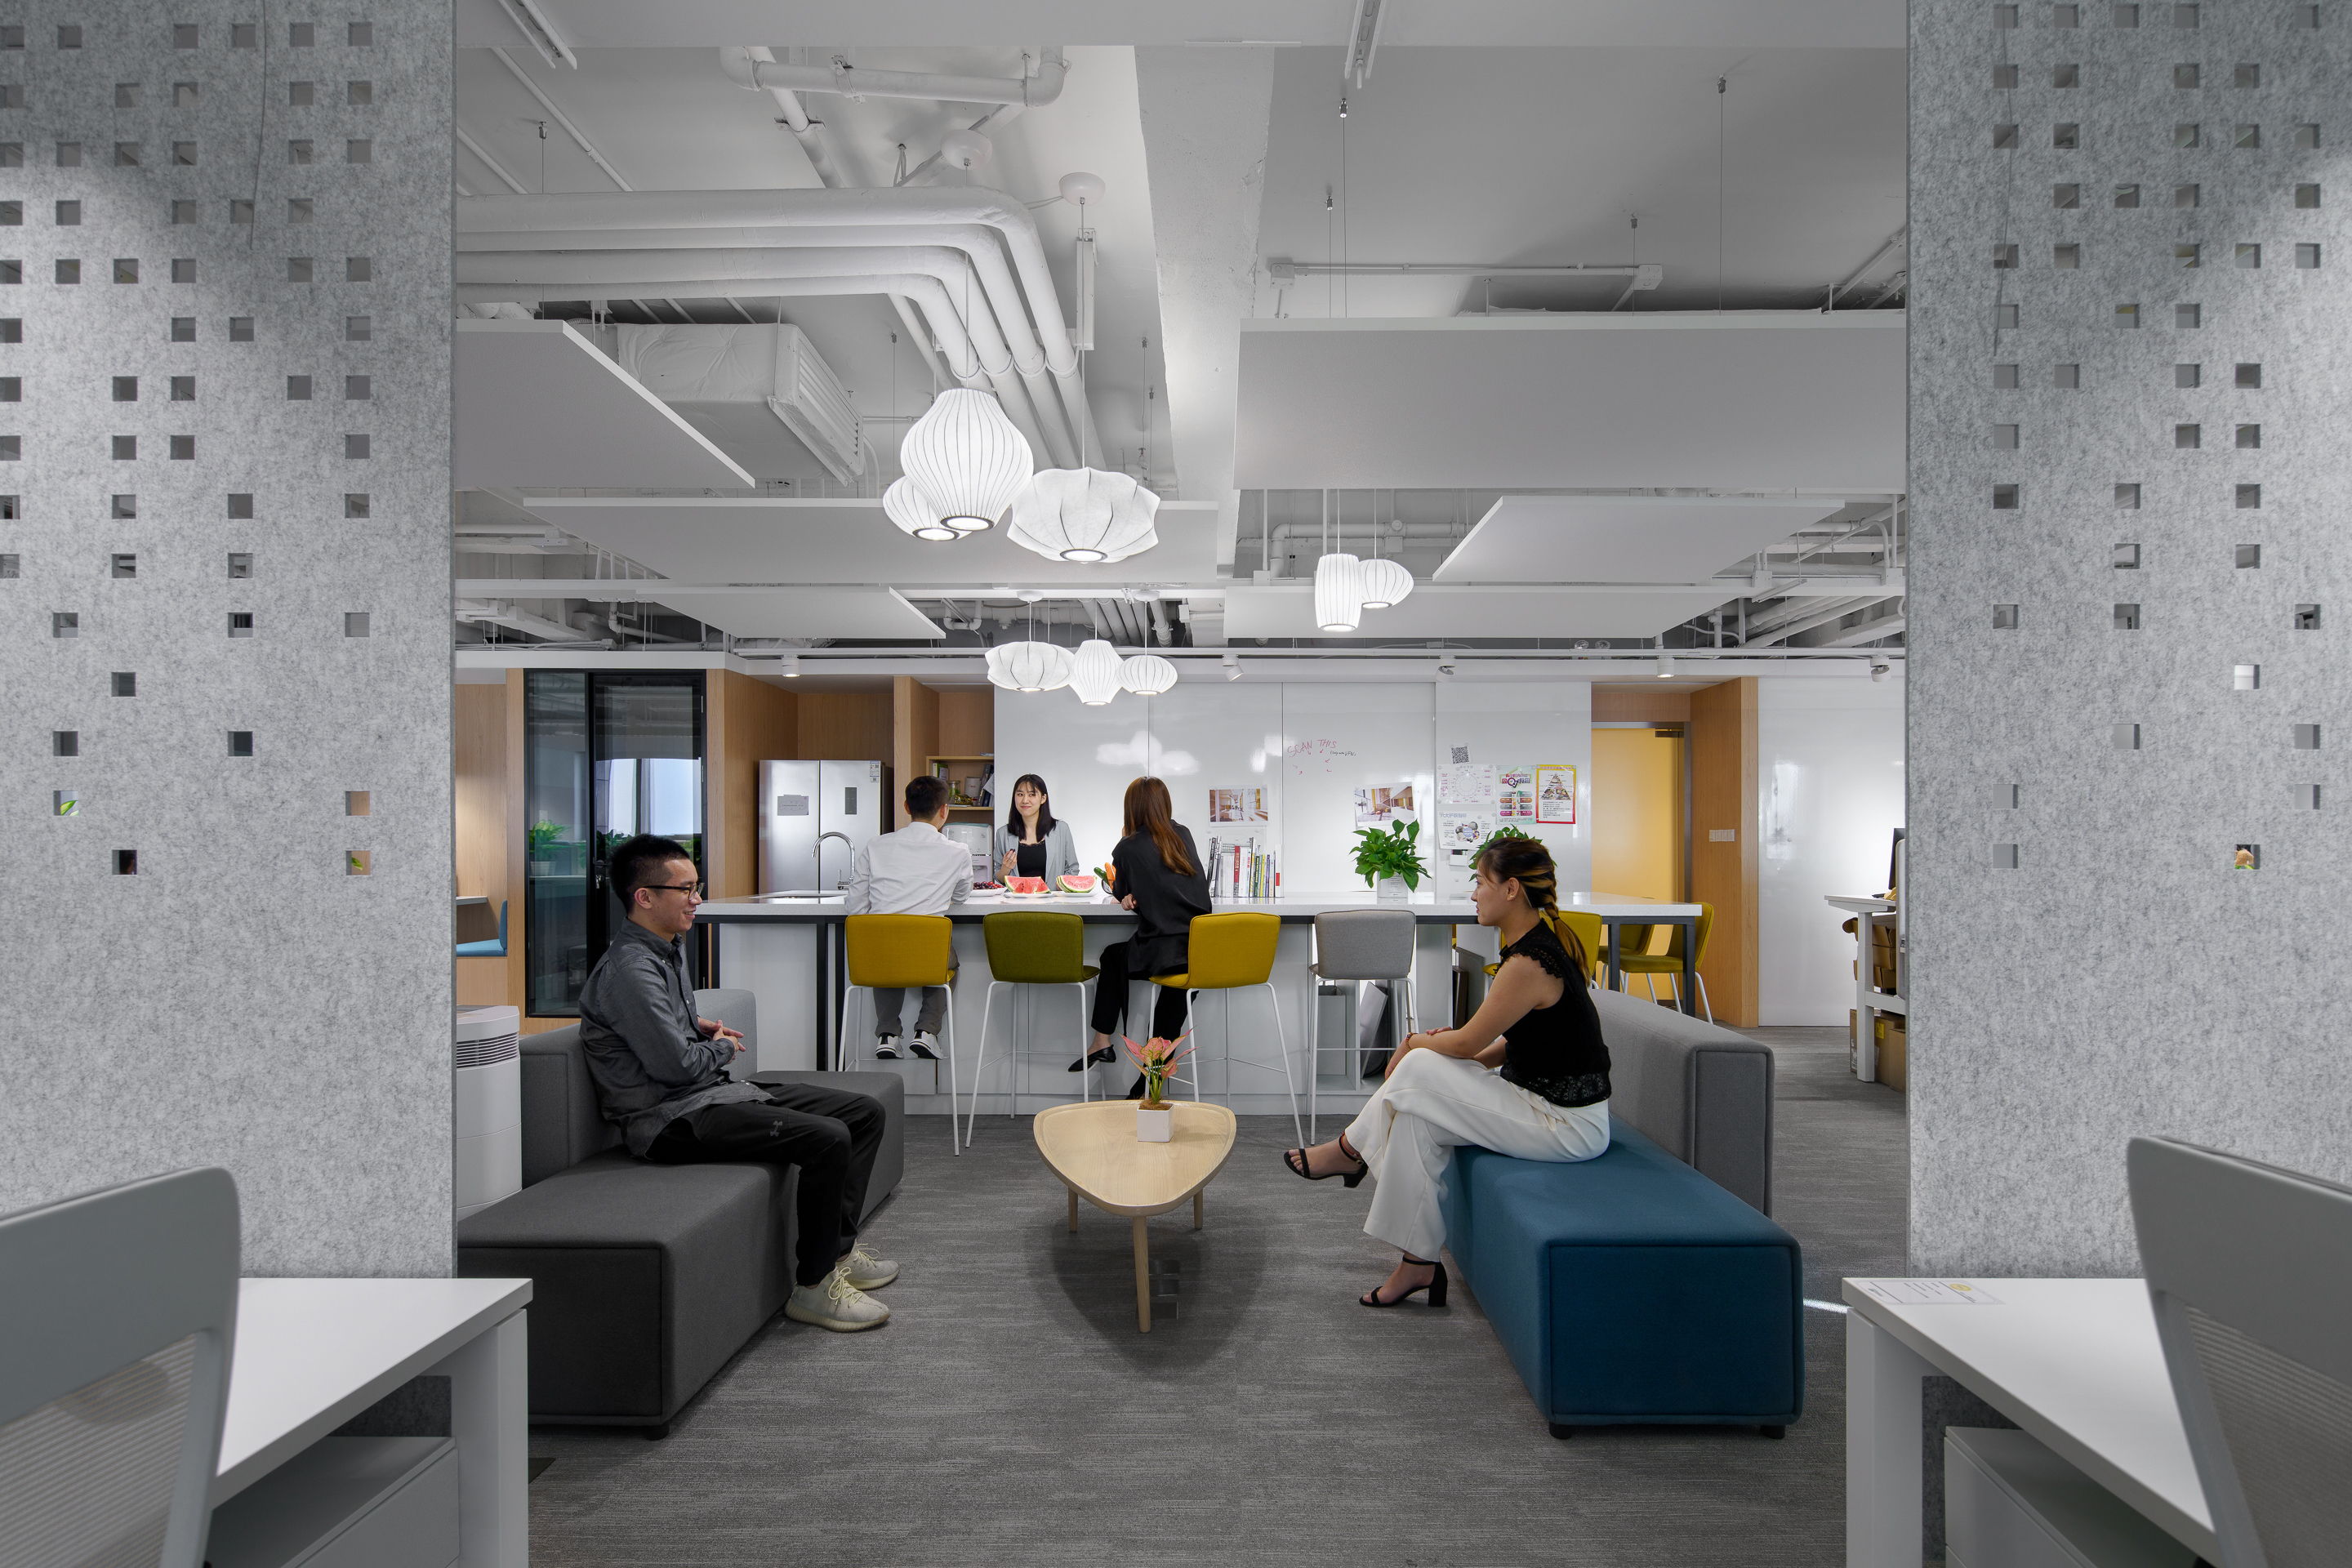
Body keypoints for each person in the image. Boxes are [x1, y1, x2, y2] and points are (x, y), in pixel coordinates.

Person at [579, 834, 897, 1333]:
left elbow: (667, 1040)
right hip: (668, 1119)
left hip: (707, 1096)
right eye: (685, 889)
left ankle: (838, 1251)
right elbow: (679, 1068)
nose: (697, 899)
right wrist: (722, 1047)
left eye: (697, 887)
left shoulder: (666, 949)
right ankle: (813, 1288)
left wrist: (697, 1025)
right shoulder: (631, 969)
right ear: (644, 897)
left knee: (862, 1112)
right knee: (827, 1137)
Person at [1281, 835, 1610, 1309]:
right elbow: (1507, 1044)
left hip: (1567, 1126)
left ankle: (1350, 1149)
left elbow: (1466, 1041)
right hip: (1539, 1103)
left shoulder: (1529, 961)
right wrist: (1447, 1055)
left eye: (1480, 882)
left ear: (1511, 889)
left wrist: (1417, 1043)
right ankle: (1417, 1264)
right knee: (1418, 1117)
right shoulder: (1535, 946)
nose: (1473, 893)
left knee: (1418, 1063)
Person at [1076, 776, 1209, 1074]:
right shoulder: (1183, 834)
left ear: (1131, 808)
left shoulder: (1128, 846)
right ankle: (1151, 1077)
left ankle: (1102, 1040)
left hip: (1164, 951)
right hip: (1199, 951)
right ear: (1165, 805)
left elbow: (1120, 890)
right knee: (1171, 997)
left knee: (1112, 956)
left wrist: (1127, 894)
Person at [846, 773, 972, 1060]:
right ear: (944, 810)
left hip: (880, 956)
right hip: (929, 953)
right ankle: (927, 1031)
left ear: (906, 807)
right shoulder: (958, 852)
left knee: (887, 950)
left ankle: (887, 1034)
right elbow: (962, 897)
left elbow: (855, 905)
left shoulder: (875, 845)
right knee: (946, 961)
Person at [996, 773, 1081, 884]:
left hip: (1053, 901)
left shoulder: (1061, 829)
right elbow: (999, 878)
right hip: (1016, 901)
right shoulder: (1003, 833)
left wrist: (1060, 891)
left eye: (1032, 795)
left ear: (1043, 798)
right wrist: (1005, 868)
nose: (1025, 800)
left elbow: (1072, 869)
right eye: (1020, 794)